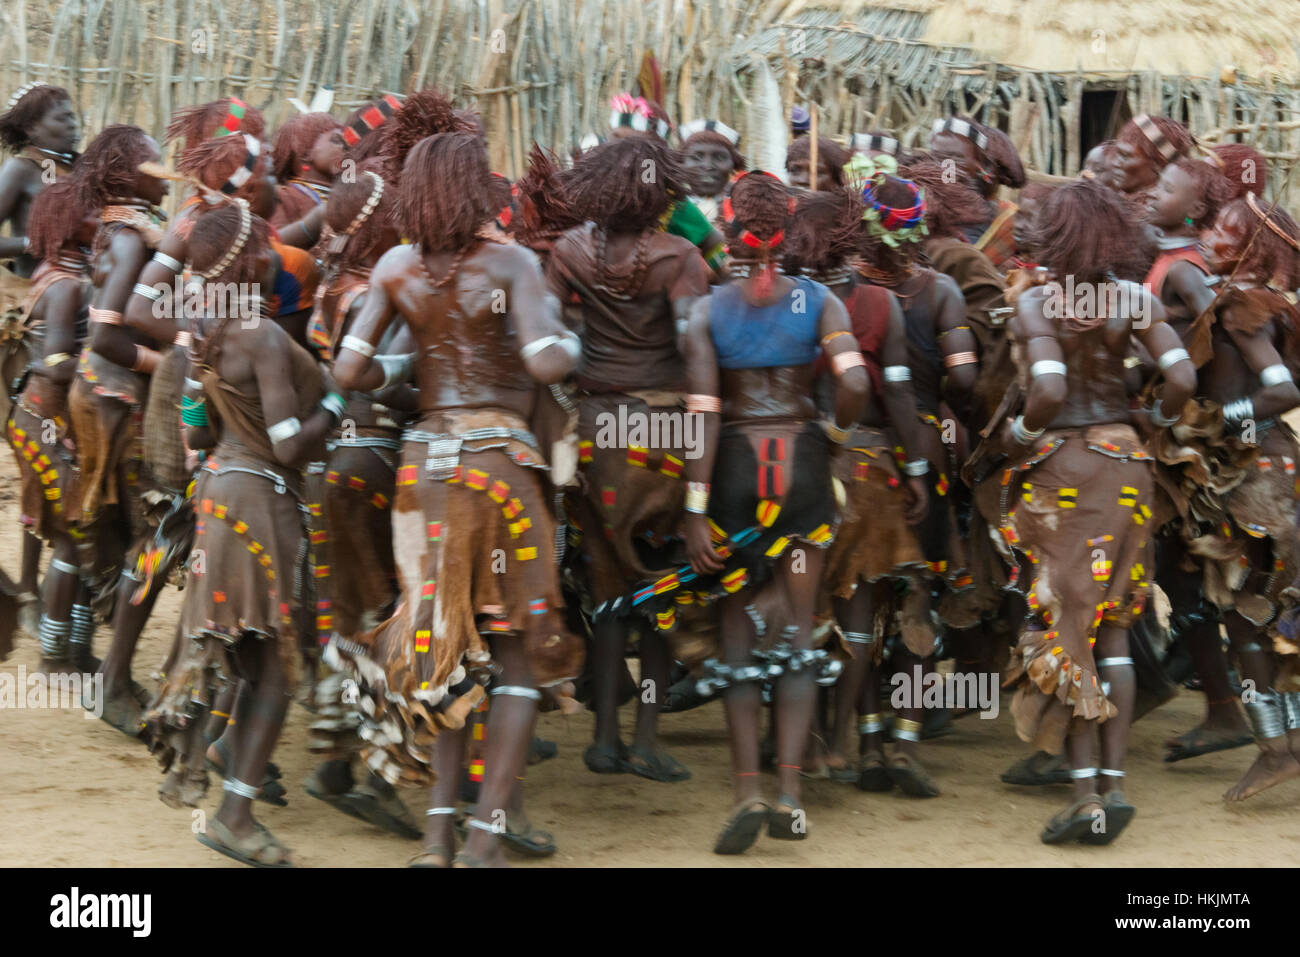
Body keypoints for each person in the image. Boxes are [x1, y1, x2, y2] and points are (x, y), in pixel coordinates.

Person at [328, 131, 584, 867]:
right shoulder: (512, 262)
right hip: (497, 468)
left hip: (422, 472)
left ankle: (438, 837)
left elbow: (350, 371)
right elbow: (543, 361)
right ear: (475, 188)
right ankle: (486, 836)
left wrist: (411, 354)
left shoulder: (393, 266)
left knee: (443, 653)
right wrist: (570, 341)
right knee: (513, 655)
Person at [660, 169, 868, 852]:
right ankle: (789, 790)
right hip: (803, 466)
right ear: (788, 230)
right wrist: (834, 442)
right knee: (800, 629)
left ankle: (746, 786)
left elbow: (703, 419)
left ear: (730, 232)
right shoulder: (818, 300)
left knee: (740, 629)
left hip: (735, 475)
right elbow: (856, 383)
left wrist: (695, 511)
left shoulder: (707, 311)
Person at [983, 179, 1195, 844]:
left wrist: (1016, 440)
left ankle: (1084, 797)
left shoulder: (1038, 301)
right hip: (1130, 467)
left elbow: (1045, 389)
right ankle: (1115, 783)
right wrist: (1149, 422)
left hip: (1066, 469)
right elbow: (1183, 381)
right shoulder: (1136, 298)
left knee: (1065, 626)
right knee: (1115, 632)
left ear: (1055, 238)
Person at [146, 198, 337, 866]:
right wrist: (338, 400)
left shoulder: (201, 326)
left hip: (220, 500)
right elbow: (287, 443)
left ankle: (223, 782)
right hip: (263, 504)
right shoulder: (258, 333)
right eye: (265, 250)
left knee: (251, 664)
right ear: (250, 261)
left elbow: (197, 431)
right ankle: (234, 813)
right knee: (277, 670)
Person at [547, 135, 710, 781]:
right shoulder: (679, 256)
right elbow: (697, 351)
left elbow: (547, 336)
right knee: (663, 588)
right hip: (662, 435)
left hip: (593, 431)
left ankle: (605, 737)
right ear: (660, 189)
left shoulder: (567, 251)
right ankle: (646, 733)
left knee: (609, 585)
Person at [1152, 194, 1300, 801]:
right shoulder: (1255, 306)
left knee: (1244, 617)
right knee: (1263, 614)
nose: (1211, 236)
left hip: (1255, 480)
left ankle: (1274, 751)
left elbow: (1283, 388)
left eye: (1229, 232)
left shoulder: (1243, 307)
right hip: (1268, 469)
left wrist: (1219, 421)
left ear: (1258, 251)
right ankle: (1283, 744)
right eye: (1212, 225)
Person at [782, 185, 930, 786]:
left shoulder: (775, 299)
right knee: (860, 610)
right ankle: (841, 739)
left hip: (789, 463)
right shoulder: (878, 303)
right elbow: (895, 392)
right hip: (866, 469)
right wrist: (919, 471)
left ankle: (803, 742)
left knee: (799, 607)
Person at [62, 125, 168, 732]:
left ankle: (107, 666)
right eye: (154, 162)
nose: (164, 170)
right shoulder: (130, 238)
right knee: (152, 542)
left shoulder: (118, 230)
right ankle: (111, 680)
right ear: (128, 172)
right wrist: (178, 361)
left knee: (131, 537)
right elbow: (109, 332)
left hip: (99, 394)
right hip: (116, 401)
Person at [4, 178, 97, 674]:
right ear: (67, 227)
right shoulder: (63, 286)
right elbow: (59, 364)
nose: (101, 221)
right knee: (71, 535)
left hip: (44, 417)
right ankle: (55, 658)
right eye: (92, 214)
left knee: (79, 533)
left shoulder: (60, 273)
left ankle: (75, 649)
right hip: (45, 424)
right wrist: (107, 360)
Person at [0, 83, 79, 638]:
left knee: (54, 457)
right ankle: (29, 589)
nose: (73, 122)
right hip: (29, 318)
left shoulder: (71, 171)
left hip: (69, 314)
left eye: (73, 113)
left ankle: (47, 584)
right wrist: (35, 244)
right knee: (39, 452)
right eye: (60, 116)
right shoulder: (20, 171)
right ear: (31, 128)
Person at [930, 117, 1026, 270]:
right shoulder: (917, 205)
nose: (945, 167)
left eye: (956, 159)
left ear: (982, 168)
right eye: (936, 157)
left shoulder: (1011, 222)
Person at [269, 112, 343, 228]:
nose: (346, 148)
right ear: (304, 152)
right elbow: (273, 243)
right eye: (336, 141)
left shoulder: (347, 195)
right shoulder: (284, 198)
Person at [679, 118, 744, 226]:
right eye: (697, 157)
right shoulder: (668, 210)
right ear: (681, 161)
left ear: (734, 164)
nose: (707, 166)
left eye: (719, 157)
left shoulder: (745, 209)